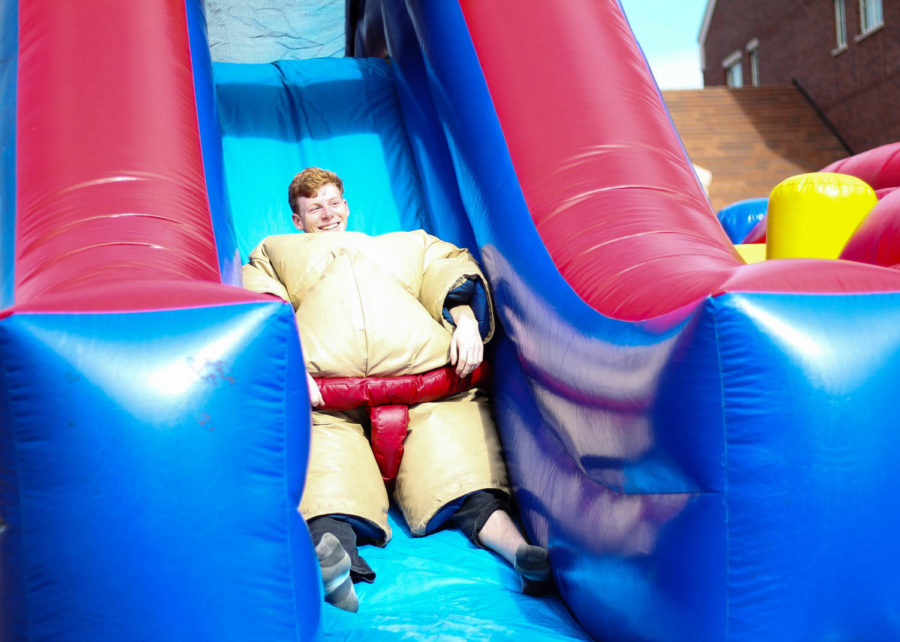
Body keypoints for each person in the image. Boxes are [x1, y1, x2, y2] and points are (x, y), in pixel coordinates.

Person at [242, 167, 550, 612]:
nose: (327, 215)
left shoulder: (401, 245)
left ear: (346, 206)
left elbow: (443, 270)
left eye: (333, 203)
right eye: (314, 208)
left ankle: (520, 553)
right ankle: (336, 567)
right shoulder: (276, 252)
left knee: (466, 479)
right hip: (328, 402)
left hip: (426, 388)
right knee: (328, 488)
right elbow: (262, 301)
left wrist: (464, 323)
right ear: (297, 219)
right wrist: (288, 363)